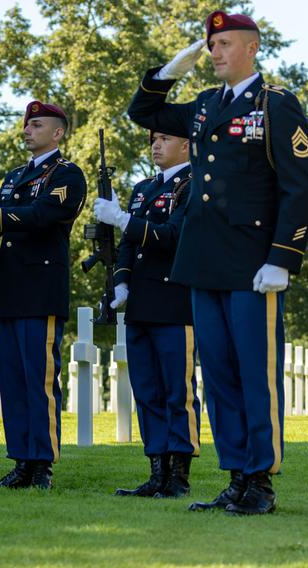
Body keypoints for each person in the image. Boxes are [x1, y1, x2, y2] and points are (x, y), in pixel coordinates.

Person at [127, 11, 308, 515]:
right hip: (202, 263)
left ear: (252, 48)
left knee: (255, 373)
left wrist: (283, 257)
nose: (214, 52)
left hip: (253, 266)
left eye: (224, 44)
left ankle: (261, 480)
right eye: (210, 45)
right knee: (218, 376)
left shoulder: (275, 105)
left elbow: (300, 189)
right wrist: (170, 71)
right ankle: (236, 476)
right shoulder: (206, 104)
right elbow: (143, 111)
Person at [0, 101, 87, 490]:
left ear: (57, 133)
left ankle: (42, 464)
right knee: (11, 380)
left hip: (40, 288)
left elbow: (42, 216)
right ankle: (21, 461)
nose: (27, 130)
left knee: (38, 380)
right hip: (8, 287)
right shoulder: (13, 177)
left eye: (36, 125)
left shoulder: (68, 175)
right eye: (26, 125)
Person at [94, 130, 200, 498]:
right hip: (140, 303)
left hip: (174, 302)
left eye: (165, 139)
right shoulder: (143, 188)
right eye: (153, 140)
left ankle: (179, 476)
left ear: (186, 145)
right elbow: (127, 246)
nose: (156, 145)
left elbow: (173, 236)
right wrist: (121, 283)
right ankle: (156, 471)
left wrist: (123, 219)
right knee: (147, 391)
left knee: (177, 391)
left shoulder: (195, 184)